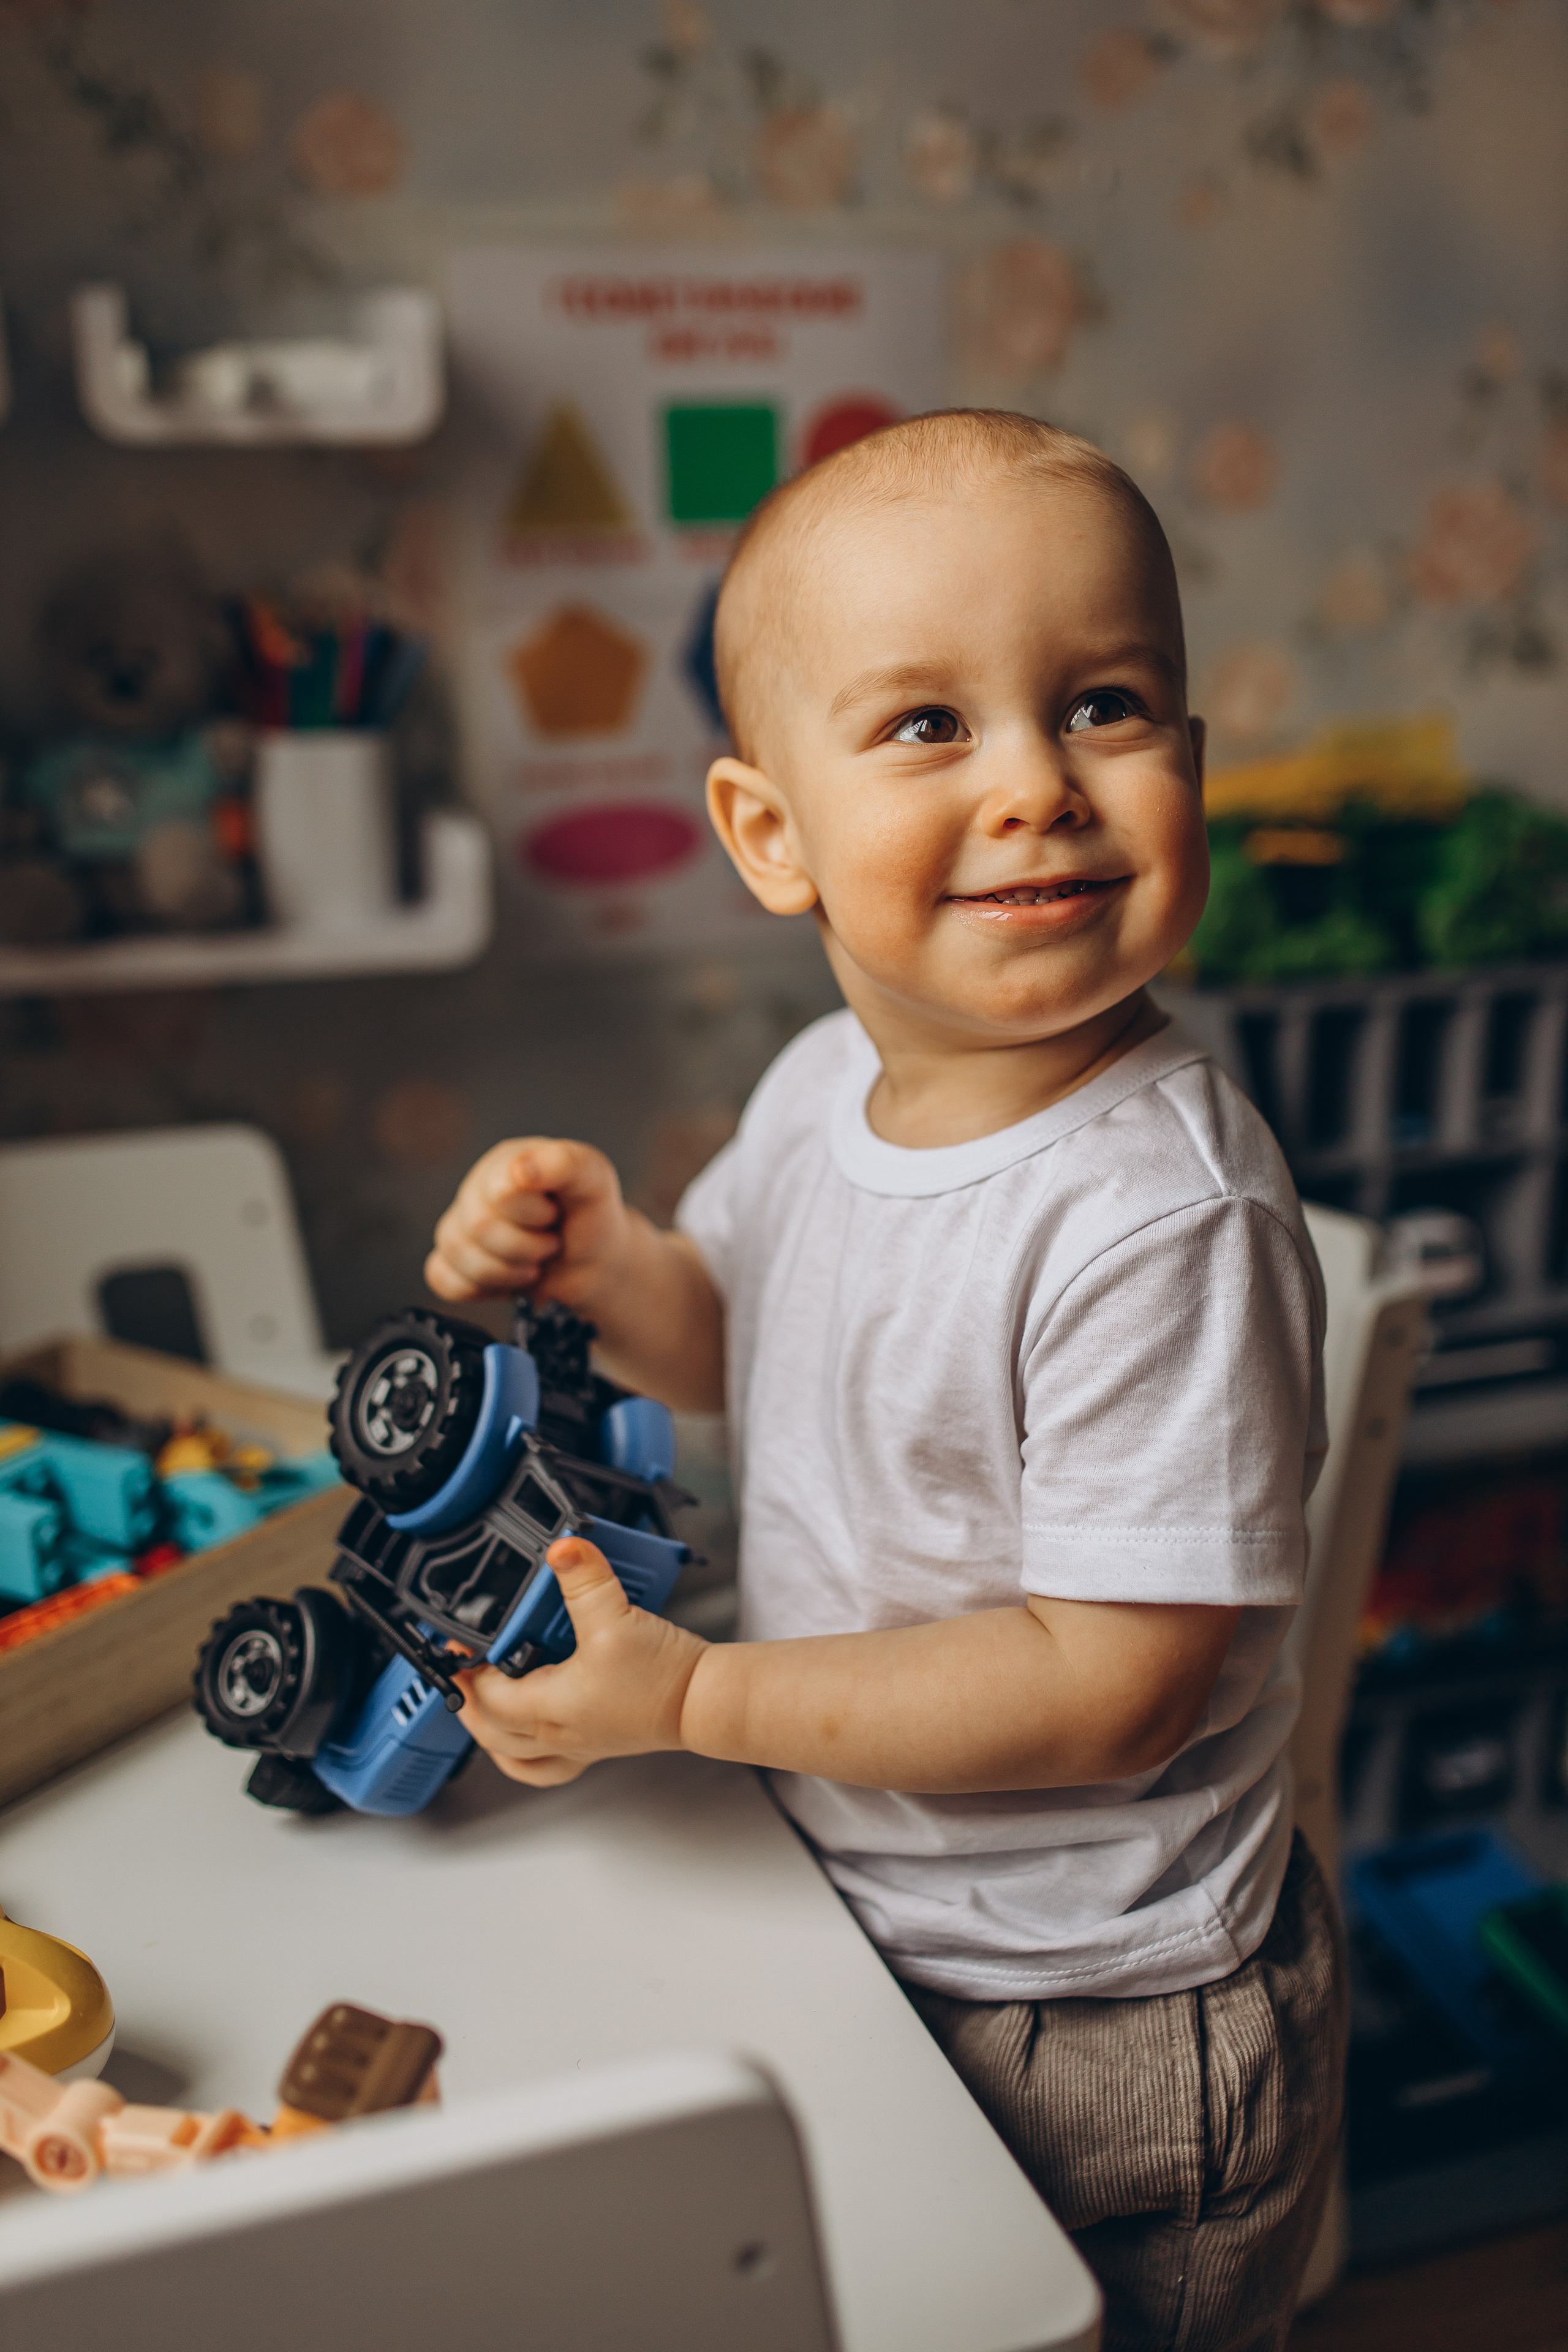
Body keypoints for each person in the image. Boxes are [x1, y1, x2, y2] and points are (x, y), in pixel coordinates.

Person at [426, 410, 1344, 2352]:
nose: (1038, 786)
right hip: (870, 1902)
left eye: (1105, 704)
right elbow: (741, 1342)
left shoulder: (1156, 1209)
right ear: (773, 836)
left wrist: (699, 1700)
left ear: (1190, 760)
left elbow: (1117, 1686)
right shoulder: (819, 1090)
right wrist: (610, 1267)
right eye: (931, 726)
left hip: (1093, 2007)